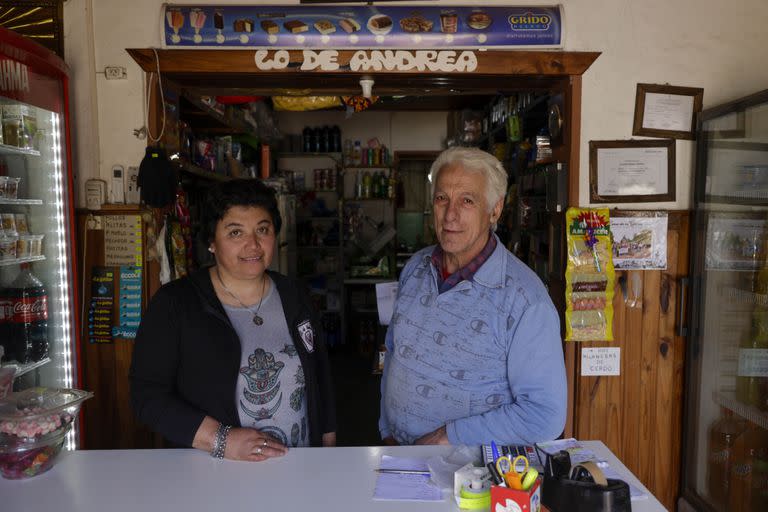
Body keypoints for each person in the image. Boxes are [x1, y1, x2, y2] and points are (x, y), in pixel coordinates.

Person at [130, 179, 336, 460]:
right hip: (213, 472)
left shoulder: (294, 295)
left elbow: (319, 373)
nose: (253, 245)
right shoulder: (176, 304)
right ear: (212, 242)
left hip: (296, 467)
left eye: (262, 230)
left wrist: (328, 446)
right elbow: (147, 397)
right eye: (236, 232)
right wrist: (222, 440)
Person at [379, 147, 566, 446]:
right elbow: (394, 353)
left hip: (468, 477)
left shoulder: (525, 301)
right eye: (442, 199)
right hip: (398, 457)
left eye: (467, 200)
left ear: (495, 210)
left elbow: (544, 415)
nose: (450, 214)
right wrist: (386, 429)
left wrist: (448, 436)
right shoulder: (416, 268)